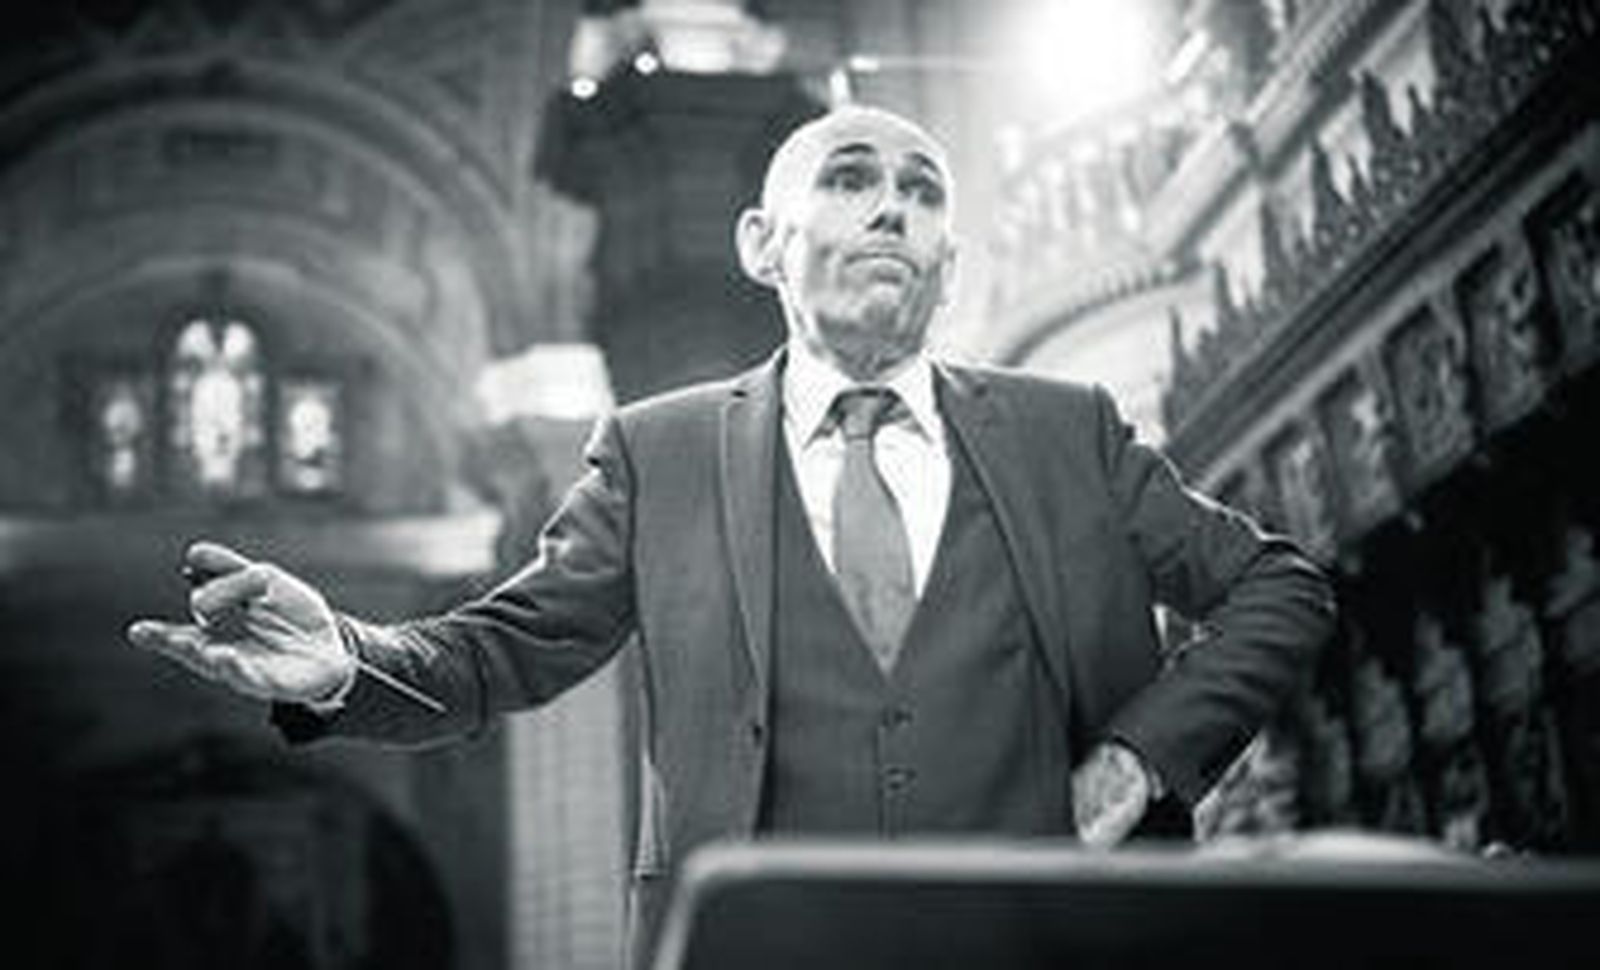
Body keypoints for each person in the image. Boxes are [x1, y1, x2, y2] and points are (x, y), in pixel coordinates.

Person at [127, 105, 1336, 962]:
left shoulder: (1064, 430)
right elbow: (502, 650)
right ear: (761, 244)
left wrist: (1135, 760)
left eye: (922, 196)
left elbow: (1280, 585)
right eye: (854, 179)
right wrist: (345, 660)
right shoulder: (661, 452)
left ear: (948, 263)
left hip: (1048, 935)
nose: (892, 212)